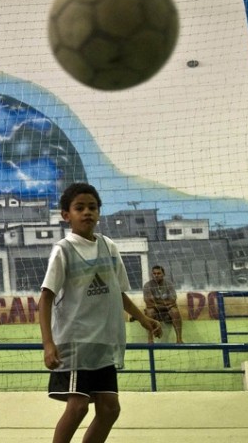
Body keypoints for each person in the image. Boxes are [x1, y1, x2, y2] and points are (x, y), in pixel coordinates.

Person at [39, 182, 162, 443]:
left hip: (104, 343)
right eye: (79, 207)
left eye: (92, 207)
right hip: (76, 343)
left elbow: (118, 292)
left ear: (99, 212)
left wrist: (143, 318)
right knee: (78, 407)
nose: (87, 212)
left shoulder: (109, 247)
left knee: (109, 409)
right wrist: (48, 343)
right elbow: (45, 298)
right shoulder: (64, 250)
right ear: (66, 215)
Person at [143, 265, 184, 343]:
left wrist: (156, 301)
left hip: (167, 311)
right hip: (156, 311)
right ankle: (150, 339)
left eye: (158, 273)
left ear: (163, 274)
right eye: (154, 273)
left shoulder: (169, 284)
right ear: (151, 274)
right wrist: (165, 302)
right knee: (149, 312)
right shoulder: (147, 286)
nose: (156, 275)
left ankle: (179, 339)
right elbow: (148, 303)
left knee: (175, 311)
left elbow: (173, 300)